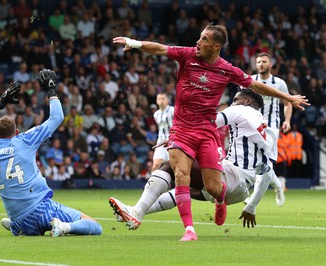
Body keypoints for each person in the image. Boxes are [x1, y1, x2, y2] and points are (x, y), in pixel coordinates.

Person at [112, 23, 309, 241]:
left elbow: (253, 86)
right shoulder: (189, 56)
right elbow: (160, 49)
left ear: (216, 46)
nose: (198, 42)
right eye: (200, 37)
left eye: (204, 39)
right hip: (187, 133)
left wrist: (287, 97)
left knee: (206, 185)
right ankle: (183, 227)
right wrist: (135, 43)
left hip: (211, 144)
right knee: (180, 174)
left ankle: (215, 200)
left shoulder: (235, 94)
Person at [110, 89, 273, 232]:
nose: (233, 103)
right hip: (241, 190)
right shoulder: (266, 128)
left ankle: (136, 212)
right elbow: (268, 173)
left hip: (230, 176)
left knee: (170, 166)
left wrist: (178, 135)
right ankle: (135, 212)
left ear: (247, 101)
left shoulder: (241, 110)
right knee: (185, 187)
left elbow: (208, 122)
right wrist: (251, 206)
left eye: (236, 100)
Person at [0, 69, 102, 237]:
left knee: (21, 221)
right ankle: (64, 227)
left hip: (21, 220)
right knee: (95, 226)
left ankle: (15, 225)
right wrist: (51, 90)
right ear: (16, 132)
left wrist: (0, 102)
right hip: (41, 209)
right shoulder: (23, 140)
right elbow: (57, 117)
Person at [246, 52, 292, 206]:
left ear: (271, 64)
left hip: (271, 127)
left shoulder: (279, 83)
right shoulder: (251, 80)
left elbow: (287, 103)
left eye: (264, 61)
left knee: (264, 162)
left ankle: (251, 202)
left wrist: (287, 120)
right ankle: (278, 185)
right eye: (258, 62)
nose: (261, 64)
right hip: (252, 126)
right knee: (258, 163)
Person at [152, 93, 174, 171]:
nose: (161, 100)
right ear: (157, 101)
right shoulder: (156, 114)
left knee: (173, 166)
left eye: (163, 98)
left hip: (172, 141)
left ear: (167, 100)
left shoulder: (172, 110)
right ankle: (155, 183)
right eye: (159, 99)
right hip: (161, 141)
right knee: (156, 166)